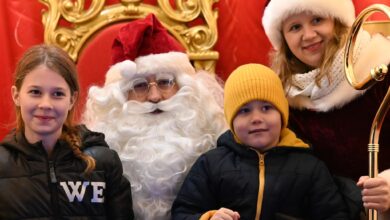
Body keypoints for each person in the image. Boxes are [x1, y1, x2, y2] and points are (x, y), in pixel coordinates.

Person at [82, 14, 227, 220]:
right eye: (140, 85)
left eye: (165, 82)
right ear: (119, 97)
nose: (155, 97)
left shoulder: (218, 147)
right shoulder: (95, 158)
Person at [262, 0, 390, 218]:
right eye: (295, 27)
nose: (309, 34)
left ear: (337, 21)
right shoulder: (286, 98)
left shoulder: (381, 70)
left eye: (317, 20)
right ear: (283, 39)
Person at [172, 63, 349, 220]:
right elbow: (183, 211)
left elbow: (334, 214)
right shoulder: (211, 164)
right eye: (244, 110)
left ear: (282, 114)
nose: (256, 118)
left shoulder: (310, 167)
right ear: (231, 119)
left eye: (266, 108)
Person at [0, 44, 134, 219]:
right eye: (35, 92)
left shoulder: (104, 161)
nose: (46, 104)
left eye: (57, 94)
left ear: (72, 99)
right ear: (16, 95)